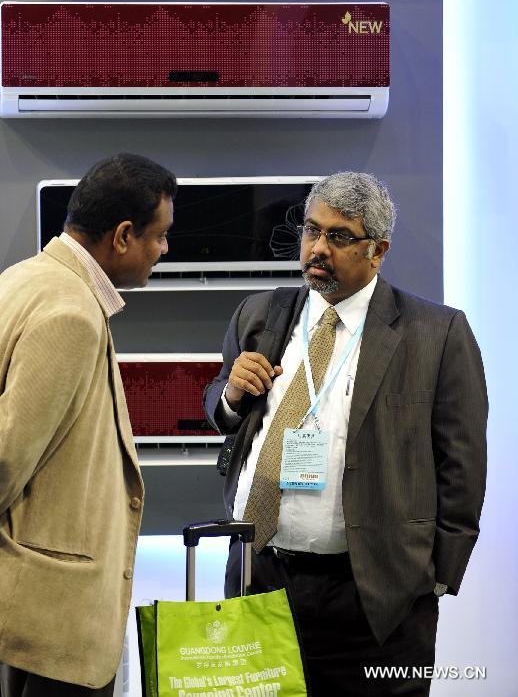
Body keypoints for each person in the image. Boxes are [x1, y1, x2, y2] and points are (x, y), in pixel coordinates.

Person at [204, 171, 487, 697]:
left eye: (339, 236)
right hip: (260, 576)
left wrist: (437, 576)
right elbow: (221, 407)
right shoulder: (260, 313)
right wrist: (230, 395)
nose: (317, 248)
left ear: (377, 251)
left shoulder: (436, 333)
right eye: (311, 231)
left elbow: (462, 462)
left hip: (374, 595)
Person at [0, 153, 177, 696]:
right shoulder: (71, 313)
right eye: (160, 236)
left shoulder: (16, 281)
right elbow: (4, 458)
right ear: (124, 235)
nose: (165, 250)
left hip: (5, 595)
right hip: (45, 612)